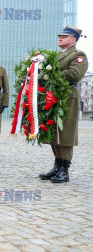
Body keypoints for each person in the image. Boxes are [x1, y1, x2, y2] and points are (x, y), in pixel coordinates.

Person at [39, 26, 88, 183]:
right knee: (53, 130)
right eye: (59, 36)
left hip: (67, 96)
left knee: (65, 133)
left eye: (64, 36)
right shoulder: (57, 56)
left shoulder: (78, 55)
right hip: (53, 96)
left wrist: (50, 73)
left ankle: (64, 170)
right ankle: (57, 166)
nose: (60, 38)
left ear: (73, 40)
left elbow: (75, 74)